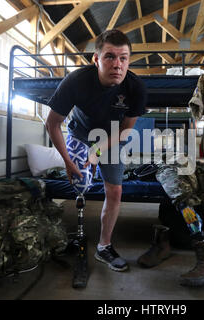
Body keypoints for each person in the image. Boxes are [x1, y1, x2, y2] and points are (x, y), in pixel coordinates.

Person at [45, 29, 147, 272]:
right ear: (96, 59)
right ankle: (77, 232)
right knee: (81, 183)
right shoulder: (76, 81)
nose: (117, 65)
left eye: (123, 58)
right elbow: (52, 124)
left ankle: (104, 246)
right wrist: (68, 162)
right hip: (80, 133)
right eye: (110, 57)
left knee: (115, 191)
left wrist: (97, 152)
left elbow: (125, 130)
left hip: (112, 137)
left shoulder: (135, 87)